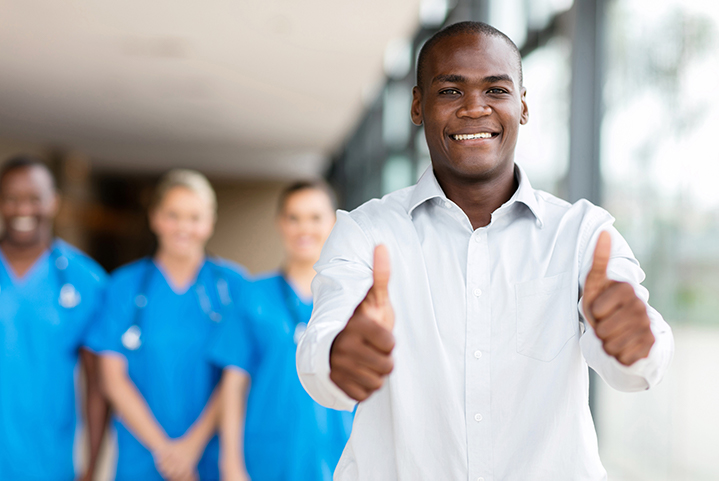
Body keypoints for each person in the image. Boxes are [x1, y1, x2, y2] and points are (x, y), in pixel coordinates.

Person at [296, 21, 674, 480]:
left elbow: (636, 369)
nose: (475, 109)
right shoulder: (364, 233)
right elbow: (319, 356)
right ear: (418, 106)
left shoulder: (582, 234)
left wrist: (635, 340)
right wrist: (339, 357)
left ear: (523, 105)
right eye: (450, 92)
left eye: (496, 89)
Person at [86, 169, 249, 481]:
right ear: (155, 218)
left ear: (210, 222)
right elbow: (111, 378)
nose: (183, 227)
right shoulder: (124, 286)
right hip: (142, 457)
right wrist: (165, 451)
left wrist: (191, 447)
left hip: (209, 457)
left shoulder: (234, 286)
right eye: (172, 215)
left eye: (195, 217)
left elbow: (235, 376)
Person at [210, 181, 353, 481]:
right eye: (294, 218)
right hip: (267, 458)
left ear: (334, 223)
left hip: (341, 455)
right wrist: (231, 465)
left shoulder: (353, 296)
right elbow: (233, 386)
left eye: (315, 218)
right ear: (280, 224)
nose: (304, 228)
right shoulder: (253, 295)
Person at [0, 155, 108, 480]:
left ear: (54, 202)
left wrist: (91, 467)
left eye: (35, 198)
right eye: (11, 198)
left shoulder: (86, 280)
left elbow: (97, 386)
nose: (23, 209)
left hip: (50, 462)